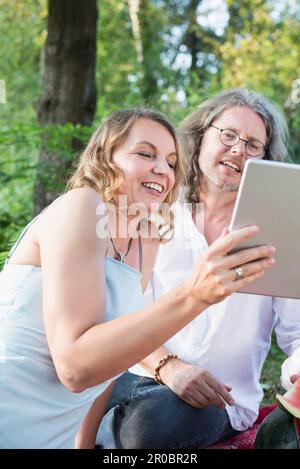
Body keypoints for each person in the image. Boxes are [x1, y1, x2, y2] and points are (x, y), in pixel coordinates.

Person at [0, 108, 272, 449]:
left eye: (172, 162)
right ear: (105, 156)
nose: (163, 169)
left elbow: (106, 368)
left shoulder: (143, 242)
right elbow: (75, 368)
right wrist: (195, 295)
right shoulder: (83, 205)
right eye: (145, 153)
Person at [95, 89, 300, 449]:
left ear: (266, 159)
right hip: (134, 372)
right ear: (199, 137)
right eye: (228, 135)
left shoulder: (278, 236)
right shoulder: (155, 214)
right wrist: (169, 366)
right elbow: (120, 314)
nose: (239, 149)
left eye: (254, 145)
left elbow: (297, 334)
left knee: (143, 430)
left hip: (218, 400)